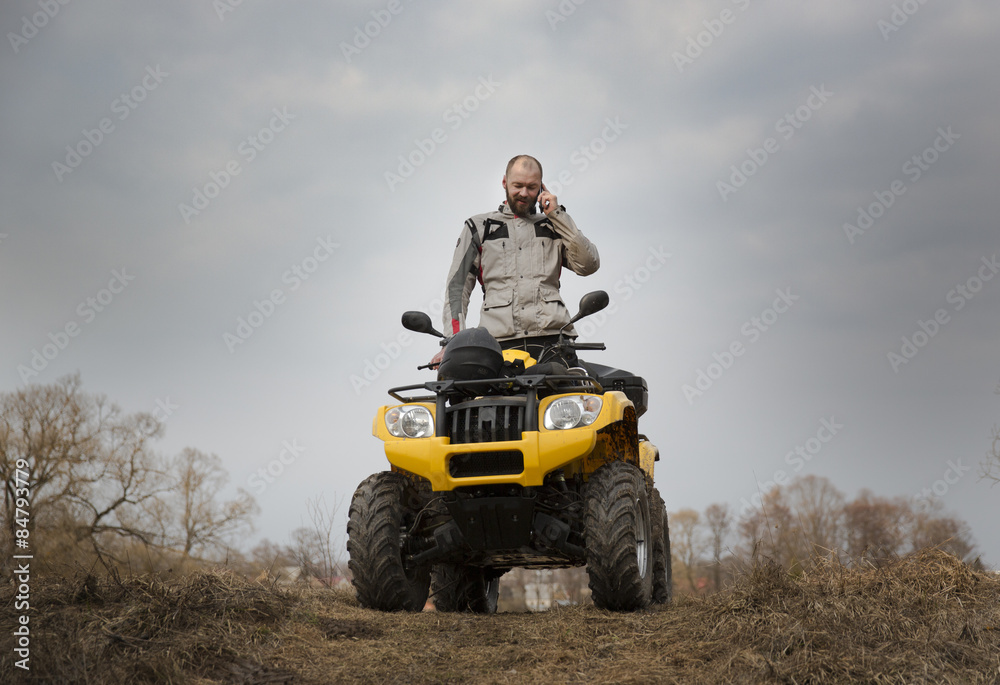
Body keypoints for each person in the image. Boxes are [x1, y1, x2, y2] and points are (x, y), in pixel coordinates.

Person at [431, 154, 600, 367]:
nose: (524, 193)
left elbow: (588, 265)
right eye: (517, 185)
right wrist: (453, 341)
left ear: (541, 188)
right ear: (504, 182)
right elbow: (457, 288)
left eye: (531, 187)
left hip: (554, 342)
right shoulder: (479, 227)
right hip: (497, 346)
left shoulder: (554, 225)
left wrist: (558, 215)